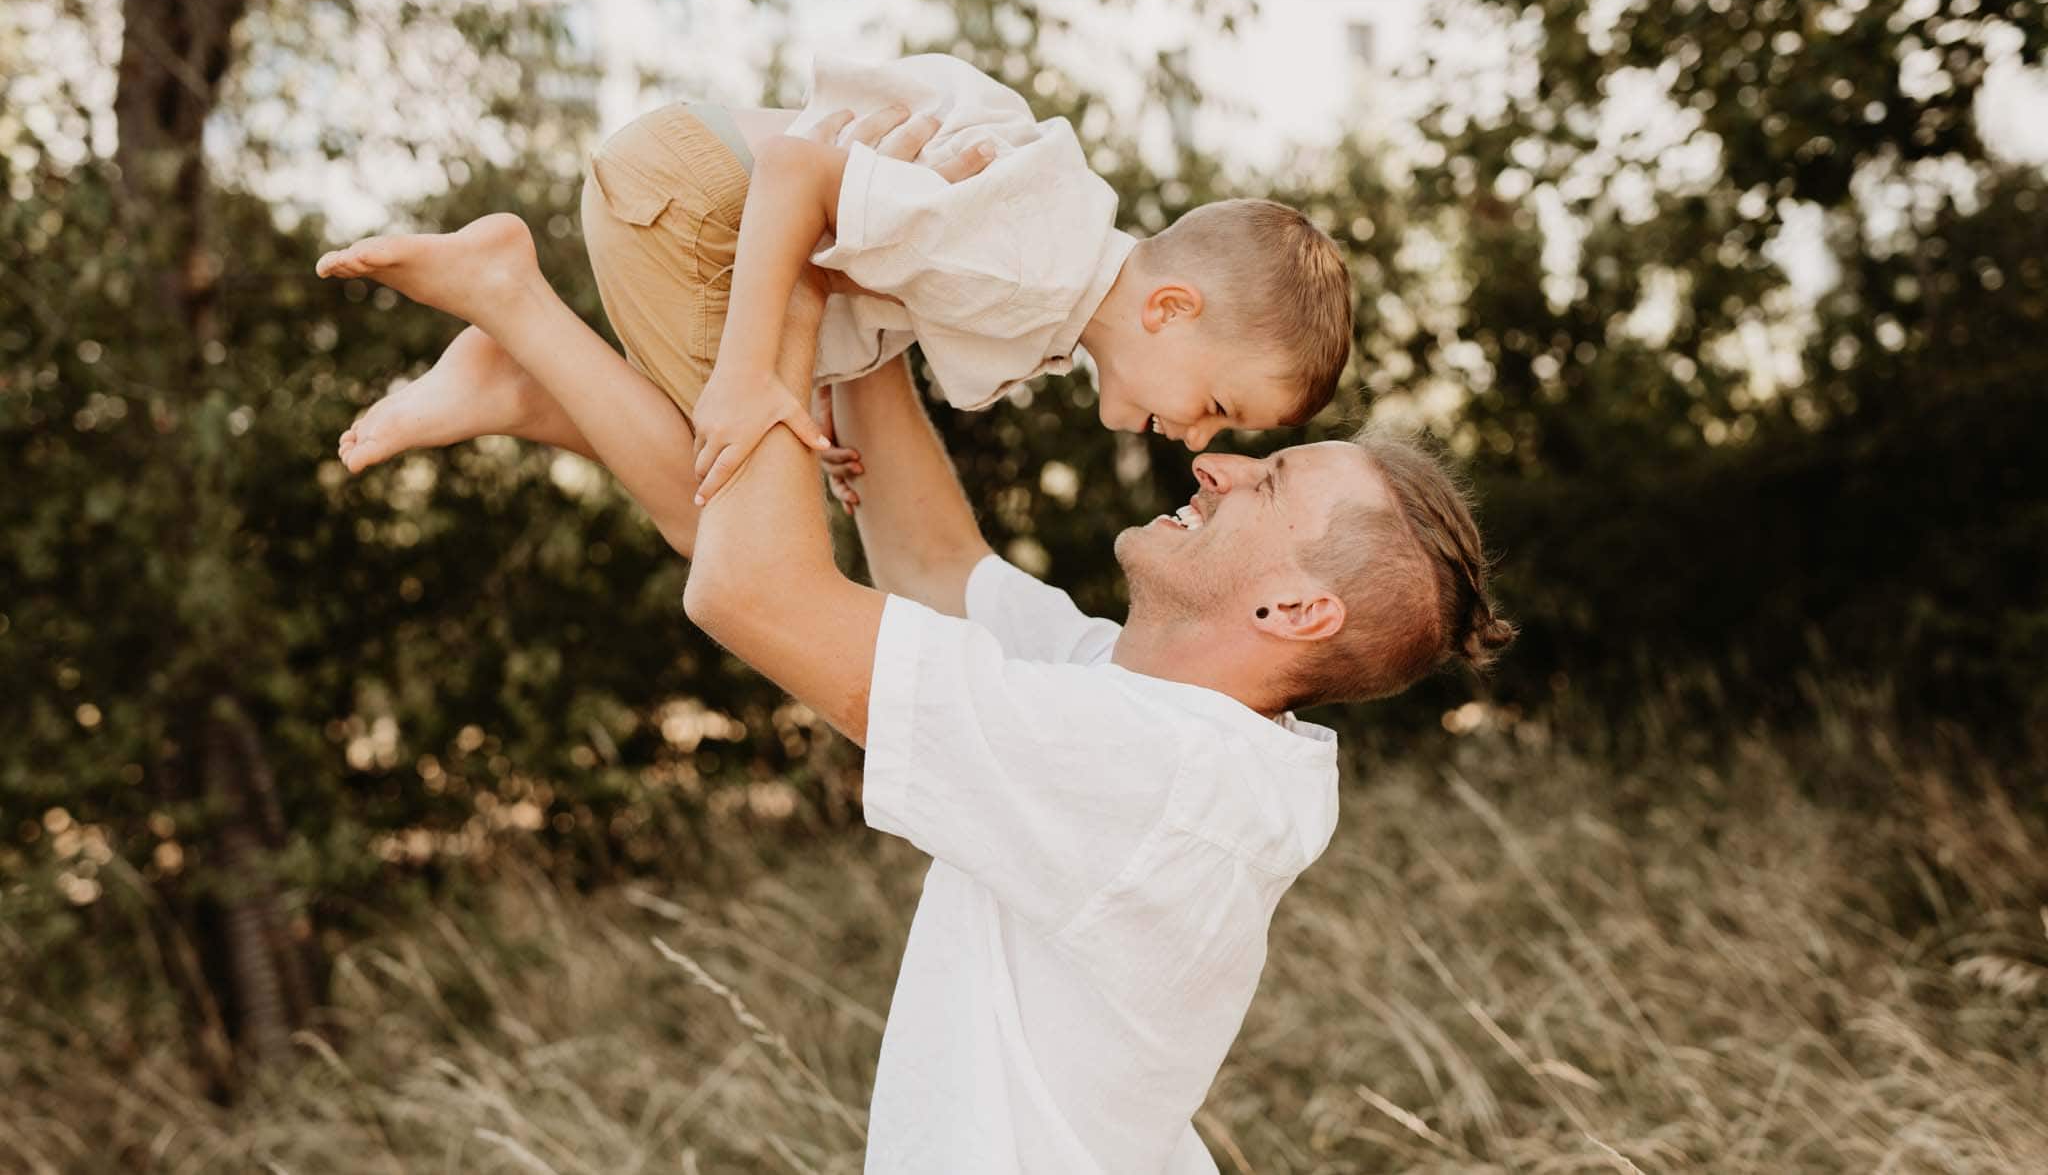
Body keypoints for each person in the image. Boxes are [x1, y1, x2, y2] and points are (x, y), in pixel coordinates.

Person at [311, 108, 1512, 1171]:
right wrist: (857, 265)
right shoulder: (1151, 703)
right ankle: (524, 339)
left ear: (1292, 612)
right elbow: (929, 562)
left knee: (752, 533)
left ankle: (521, 329)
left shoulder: (1153, 781)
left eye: (1267, 478)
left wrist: (782, 291)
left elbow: (755, 595)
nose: (1214, 459)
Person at [315, 53, 1354, 510]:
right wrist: (747, 380)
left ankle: (518, 374)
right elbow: (803, 172)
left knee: (730, 470)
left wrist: (806, 400)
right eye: (1217, 405)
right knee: (709, 496)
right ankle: (509, 312)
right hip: (698, 196)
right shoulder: (1033, 266)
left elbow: (869, 277)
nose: (1200, 438)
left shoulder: (1054, 273)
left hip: (694, 191)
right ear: (1168, 309)